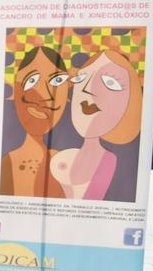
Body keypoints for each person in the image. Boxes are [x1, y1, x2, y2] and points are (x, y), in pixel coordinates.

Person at [50, 50, 143, 201]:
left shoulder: (115, 163)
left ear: (130, 101)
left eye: (110, 82)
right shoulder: (56, 154)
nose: (86, 89)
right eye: (81, 79)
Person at [1, 47, 72, 197]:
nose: (46, 95)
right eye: (31, 81)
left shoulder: (66, 159)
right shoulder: (9, 163)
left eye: (57, 80)